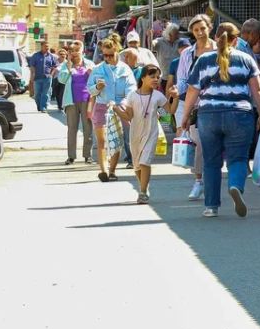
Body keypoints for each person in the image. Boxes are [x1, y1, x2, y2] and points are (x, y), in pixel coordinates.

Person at [179, 22, 260, 218]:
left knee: (211, 161)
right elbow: (258, 90)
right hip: (240, 114)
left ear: (216, 36)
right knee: (238, 158)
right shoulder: (246, 59)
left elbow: (192, 90)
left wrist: (185, 116)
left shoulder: (203, 60)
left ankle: (211, 206)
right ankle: (235, 186)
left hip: (208, 115)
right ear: (236, 40)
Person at [115, 66, 178, 204]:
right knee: (137, 165)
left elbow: (170, 111)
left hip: (151, 132)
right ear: (143, 78)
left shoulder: (158, 96)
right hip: (135, 134)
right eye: (152, 76)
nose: (156, 79)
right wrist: (116, 109)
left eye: (157, 77)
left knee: (145, 162)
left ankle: (142, 192)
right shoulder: (132, 95)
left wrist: (175, 97)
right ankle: (144, 186)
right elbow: (128, 116)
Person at [87, 34, 137, 182]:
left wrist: (125, 104)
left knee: (117, 140)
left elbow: (131, 89)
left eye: (110, 55)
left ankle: (112, 171)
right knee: (102, 141)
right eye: (104, 55)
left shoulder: (125, 69)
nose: (107, 58)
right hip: (102, 106)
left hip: (119, 107)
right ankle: (103, 171)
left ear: (117, 51)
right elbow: (90, 89)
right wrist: (97, 87)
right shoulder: (98, 69)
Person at [177, 14, 216, 200]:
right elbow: (183, 80)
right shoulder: (187, 54)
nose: (200, 32)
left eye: (203, 28)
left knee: (216, 145)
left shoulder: (220, 50)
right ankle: (199, 181)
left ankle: (215, 181)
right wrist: (178, 91)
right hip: (196, 107)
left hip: (219, 103)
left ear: (210, 27)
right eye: (196, 29)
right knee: (200, 143)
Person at [57, 41, 95, 165]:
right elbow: (61, 80)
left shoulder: (89, 64)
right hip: (71, 100)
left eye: (77, 50)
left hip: (86, 100)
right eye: (72, 51)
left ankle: (87, 155)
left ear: (82, 51)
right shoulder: (66, 65)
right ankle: (71, 156)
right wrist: (68, 68)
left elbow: (96, 80)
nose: (74, 53)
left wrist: (91, 74)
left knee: (87, 128)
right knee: (72, 129)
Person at [28, 40, 59, 112]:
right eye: (45, 46)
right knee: (37, 94)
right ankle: (39, 106)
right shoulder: (35, 55)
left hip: (47, 78)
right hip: (37, 78)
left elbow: (55, 66)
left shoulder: (51, 56)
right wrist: (32, 75)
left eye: (48, 46)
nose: (47, 48)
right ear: (41, 46)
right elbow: (32, 66)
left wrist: (51, 74)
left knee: (45, 93)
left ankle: (43, 107)